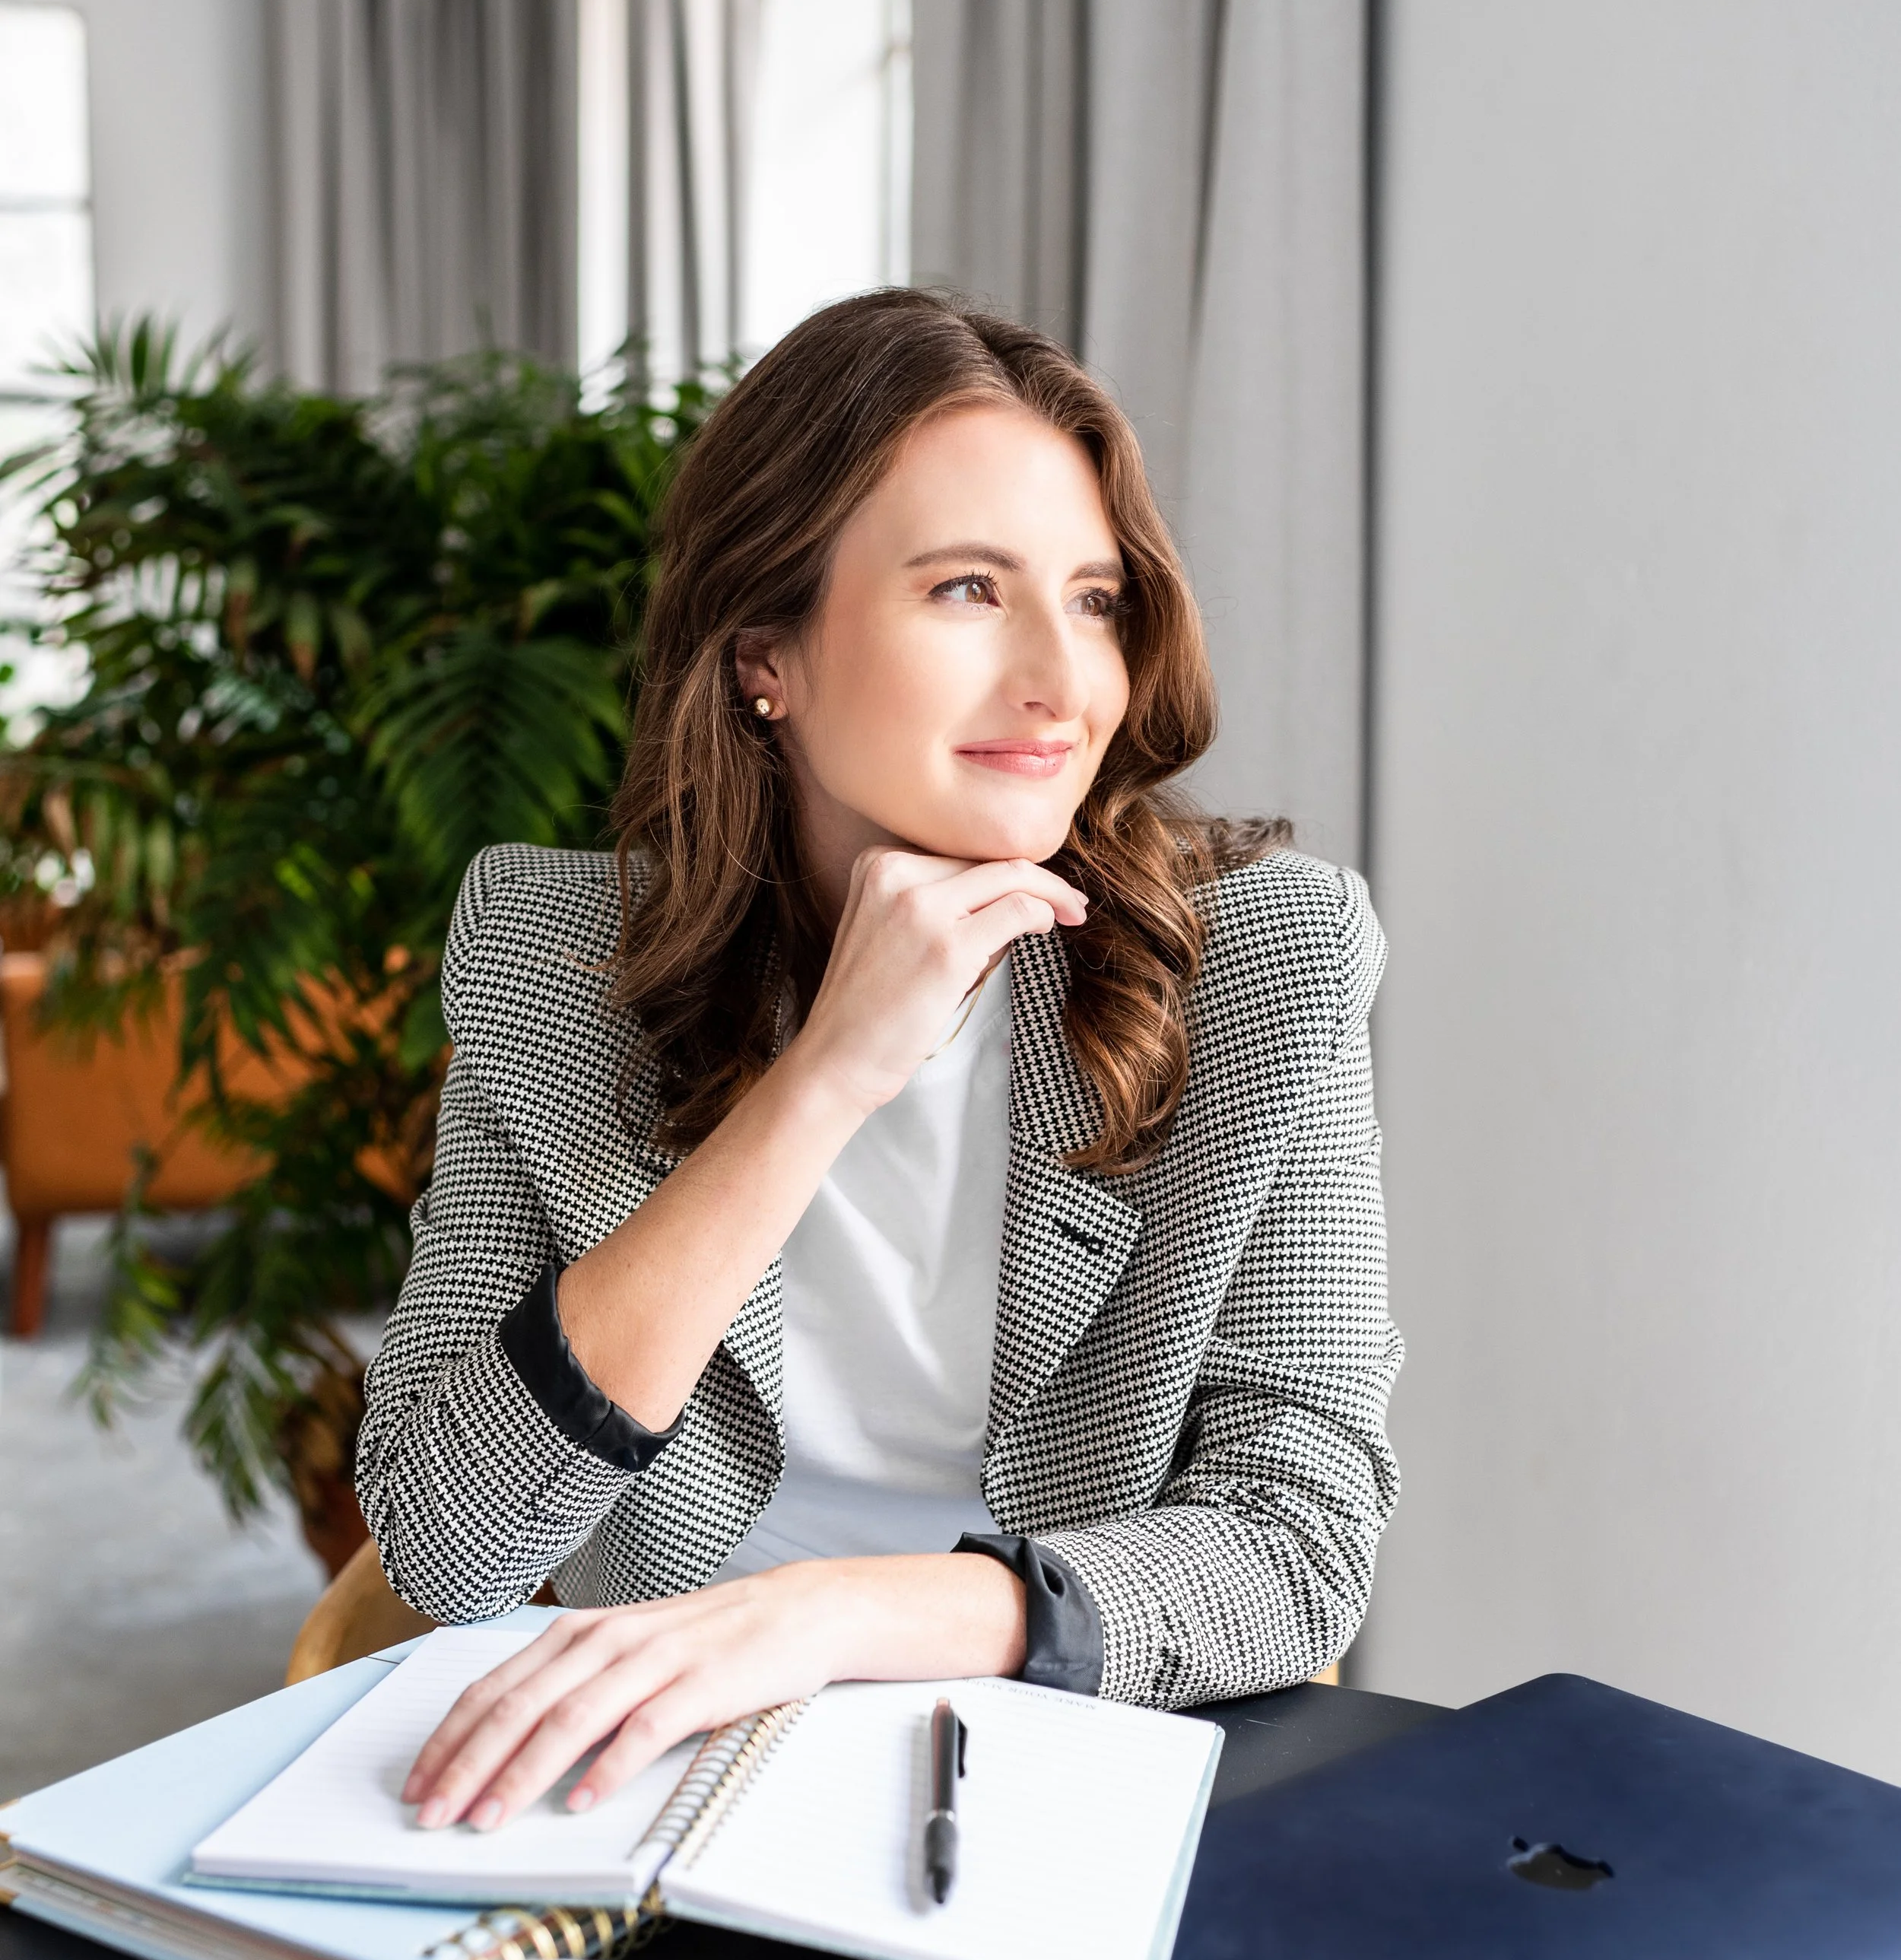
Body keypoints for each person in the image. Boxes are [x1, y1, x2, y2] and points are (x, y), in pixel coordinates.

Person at [357, 288, 1402, 1837]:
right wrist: (822, 1079)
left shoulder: (1263, 966)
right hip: (661, 1793)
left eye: (1097, 599)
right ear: (763, 652)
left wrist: (832, 1617)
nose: (1062, 683)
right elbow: (446, 1539)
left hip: (1067, 1775)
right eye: (968, 591)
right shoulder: (549, 962)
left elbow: (1298, 1542)